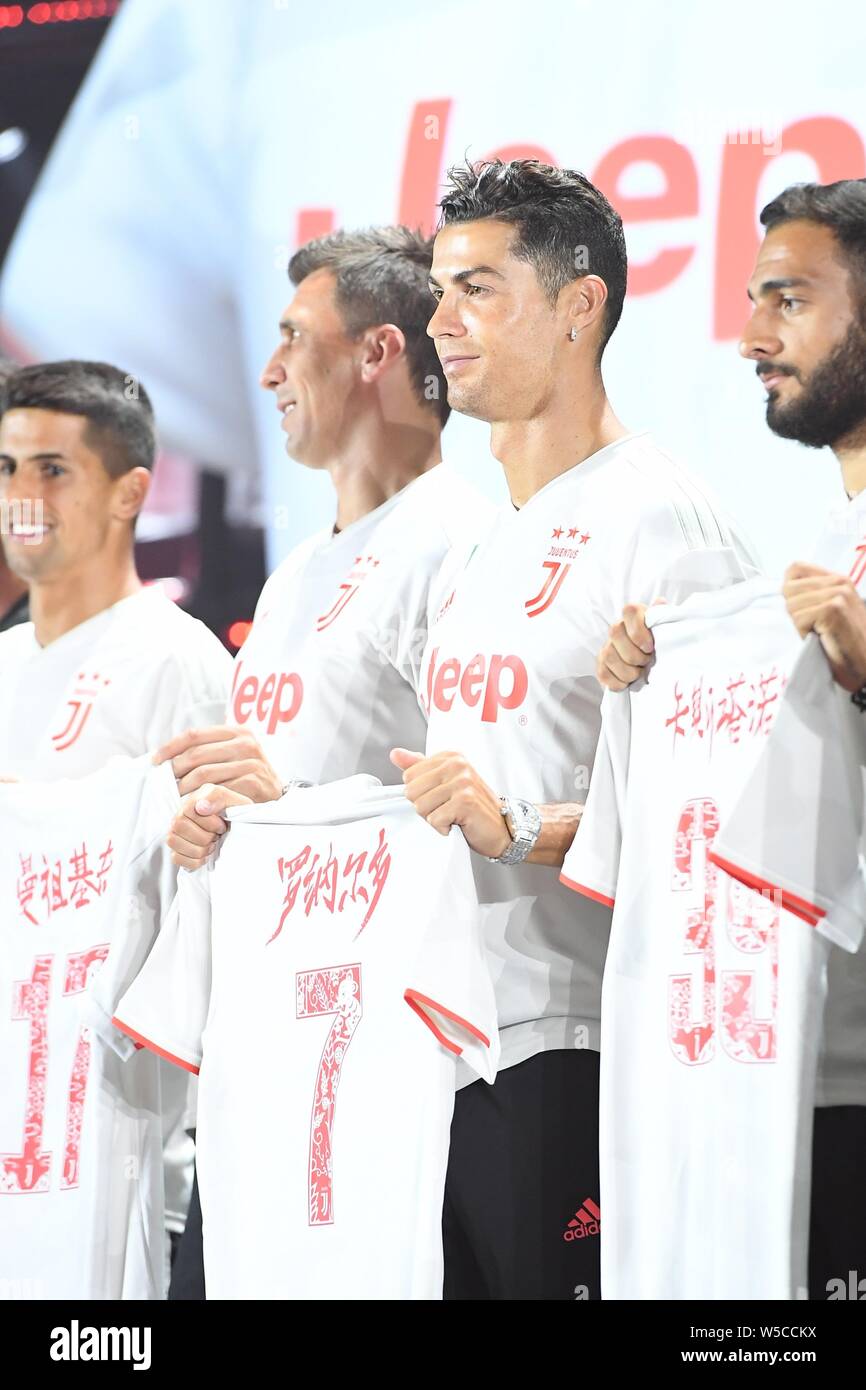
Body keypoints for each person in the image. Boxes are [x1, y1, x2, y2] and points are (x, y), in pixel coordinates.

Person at [389, 158, 757, 1300]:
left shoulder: (657, 513)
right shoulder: (471, 552)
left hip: (582, 1046)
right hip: (450, 1051)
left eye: (478, 289)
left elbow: (726, 809)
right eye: (437, 290)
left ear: (577, 305)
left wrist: (524, 826)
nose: (438, 323)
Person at [152, 227, 493, 1296]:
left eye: (294, 340)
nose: (267, 373)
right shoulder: (297, 568)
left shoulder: (461, 539)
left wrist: (290, 807)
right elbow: (279, 792)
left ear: (377, 353)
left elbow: (467, 803)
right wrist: (214, 828)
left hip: (387, 1072)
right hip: (267, 1059)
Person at [596, 177, 866, 1299]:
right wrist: (648, 690)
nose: (751, 336)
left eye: (787, 300)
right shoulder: (816, 548)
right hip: (790, 1090)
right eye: (751, 300)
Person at [0, 358, 233, 1286]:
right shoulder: (5, 661)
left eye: (52, 468)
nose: (22, 494)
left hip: (113, 1133)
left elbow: (210, 902)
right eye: (7, 467)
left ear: (131, 491)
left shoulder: (175, 661)